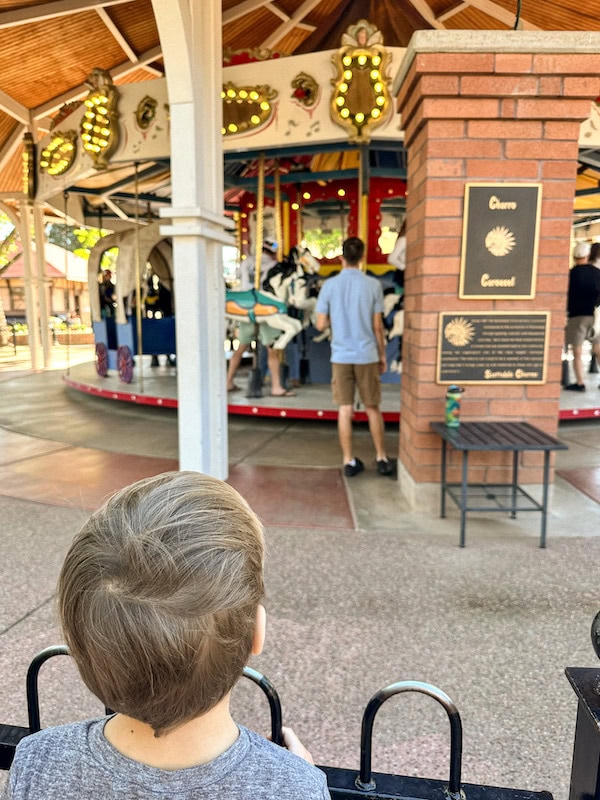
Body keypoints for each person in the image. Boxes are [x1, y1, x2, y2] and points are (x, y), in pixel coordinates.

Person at [2, 471, 330, 800]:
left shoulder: (38, 764)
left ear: (79, 646)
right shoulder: (293, 787)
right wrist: (296, 778)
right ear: (258, 632)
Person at [315, 237, 395, 477]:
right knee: (372, 407)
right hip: (367, 353)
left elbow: (320, 324)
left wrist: (335, 319)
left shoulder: (329, 286)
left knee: (345, 409)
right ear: (362, 258)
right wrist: (382, 355)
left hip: (340, 355)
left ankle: (348, 461)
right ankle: (381, 457)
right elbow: (378, 326)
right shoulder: (373, 285)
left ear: (341, 258)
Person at [227, 238, 295, 397]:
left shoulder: (246, 262)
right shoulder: (272, 266)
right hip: (264, 310)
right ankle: (276, 386)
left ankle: (228, 381)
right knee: (272, 349)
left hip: (247, 309)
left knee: (241, 347)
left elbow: (237, 276)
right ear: (271, 251)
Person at [564, 241, 600, 392]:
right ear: (587, 255)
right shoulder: (597, 273)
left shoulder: (570, 274)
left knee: (577, 351)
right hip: (596, 315)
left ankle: (580, 383)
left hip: (576, 316)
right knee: (598, 349)